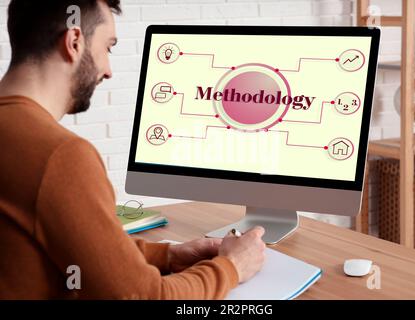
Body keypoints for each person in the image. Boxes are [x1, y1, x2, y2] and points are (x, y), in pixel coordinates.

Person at [0, 0, 266, 299]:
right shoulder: (60, 156)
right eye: (108, 47)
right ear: (74, 42)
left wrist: (166, 256)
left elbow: (61, 248)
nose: (108, 70)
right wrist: (232, 266)